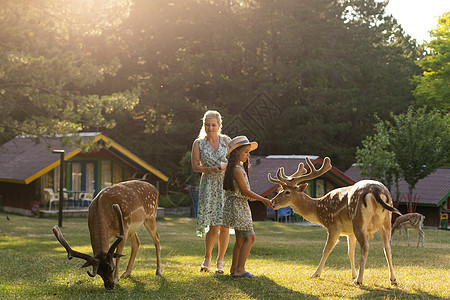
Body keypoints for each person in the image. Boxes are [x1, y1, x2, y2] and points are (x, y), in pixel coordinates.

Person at [222, 135, 274, 278]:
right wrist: (263, 199)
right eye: (245, 151)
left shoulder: (237, 168)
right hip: (238, 207)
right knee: (250, 238)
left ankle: (234, 269)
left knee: (240, 239)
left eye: (248, 151)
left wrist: (254, 197)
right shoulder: (237, 169)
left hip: (238, 205)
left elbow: (245, 193)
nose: (248, 154)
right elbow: (245, 191)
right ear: (236, 152)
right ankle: (240, 269)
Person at [191, 110, 230, 273]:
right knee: (214, 226)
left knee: (225, 225)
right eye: (207, 125)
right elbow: (195, 166)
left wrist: (224, 166)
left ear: (219, 126)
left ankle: (220, 261)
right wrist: (211, 169)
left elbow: (237, 162)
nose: (210, 128)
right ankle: (207, 257)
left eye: (213, 125)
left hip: (225, 186)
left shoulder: (227, 141)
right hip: (208, 185)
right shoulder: (198, 143)